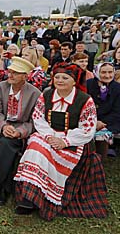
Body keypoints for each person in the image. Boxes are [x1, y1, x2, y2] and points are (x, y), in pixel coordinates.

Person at [14, 62, 108, 220]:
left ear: (74, 81)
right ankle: (30, 197)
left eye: (65, 77)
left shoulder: (85, 100)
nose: (60, 80)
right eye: (57, 77)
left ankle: (43, 197)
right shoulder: (47, 95)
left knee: (47, 152)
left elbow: (88, 128)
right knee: (35, 147)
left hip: (73, 141)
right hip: (48, 135)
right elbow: (38, 118)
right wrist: (51, 136)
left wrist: (65, 141)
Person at [0, 57, 41, 206]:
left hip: (21, 129)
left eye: (16, 73)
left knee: (7, 143)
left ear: (25, 76)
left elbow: (35, 120)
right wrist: (4, 126)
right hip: (3, 126)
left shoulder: (35, 94)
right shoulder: (1, 87)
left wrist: (20, 132)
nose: (10, 75)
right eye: (10, 72)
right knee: (6, 141)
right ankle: (3, 188)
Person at [87, 63, 120, 159]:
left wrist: (102, 123)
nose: (107, 75)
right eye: (103, 72)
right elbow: (84, 106)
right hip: (89, 119)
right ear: (97, 72)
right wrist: (94, 121)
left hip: (110, 121)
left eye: (110, 72)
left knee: (102, 136)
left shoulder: (119, 88)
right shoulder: (88, 84)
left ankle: (98, 163)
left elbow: (118, 111)